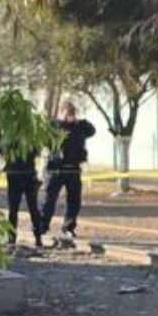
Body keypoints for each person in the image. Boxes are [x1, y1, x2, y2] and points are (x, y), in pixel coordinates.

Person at [40, 101, 96, 239]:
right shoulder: (52, 126)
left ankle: (68, 227)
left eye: (72, 113)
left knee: (74, 201)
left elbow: (92, 130)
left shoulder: (79, 127)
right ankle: (42, 226)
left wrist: (79, 121)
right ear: (61, 112)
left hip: (73, 169)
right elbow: (43, 139)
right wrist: (61, 122)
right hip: (55, 169)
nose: (69, 116)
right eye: (67, 113)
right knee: (48, 200)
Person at [1, 139, 43, 248]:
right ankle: (12, 238)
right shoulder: (10, 138)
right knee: (14, 208)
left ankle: (38, 237)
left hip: (27, 175)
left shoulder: (30, 137)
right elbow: (2, 148)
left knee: (32, 208)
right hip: (16, 175)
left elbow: (37, 151)